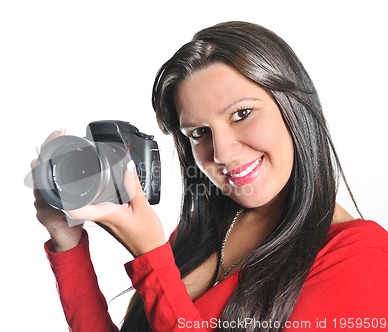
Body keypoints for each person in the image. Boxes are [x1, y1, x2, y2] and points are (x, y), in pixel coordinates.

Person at [31, 21, 388, 331]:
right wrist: (69, 243)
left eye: (242, 113)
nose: (222, 153)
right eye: (199, 133)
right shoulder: (201, 232)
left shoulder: (363, 257)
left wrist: (152, 259)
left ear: (293, 106)